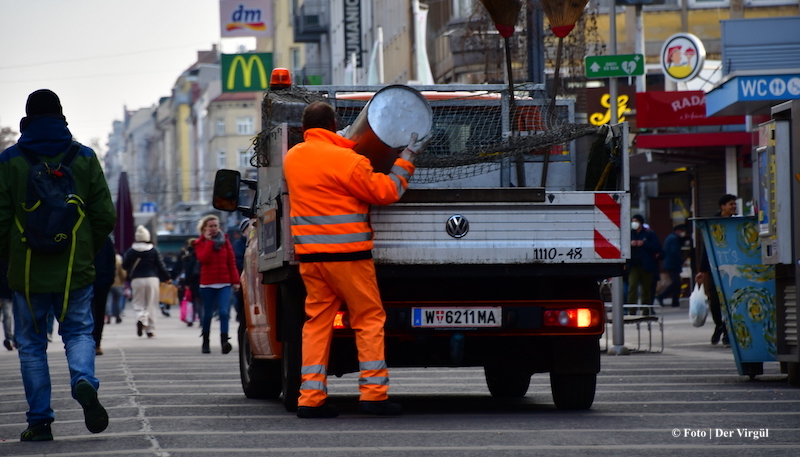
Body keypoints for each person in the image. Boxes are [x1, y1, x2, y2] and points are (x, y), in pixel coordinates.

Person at [283, 101, 428, 418]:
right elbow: (386, 192)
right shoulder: (348, 160)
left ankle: (310, 399)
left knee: (317, 325)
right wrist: (407, 158)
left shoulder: (293, 157)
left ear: (306, 128)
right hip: (349, 256)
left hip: (311, 258)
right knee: (369, 319)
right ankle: (374, 395)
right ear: (334, 123)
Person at [0, 89, 116, 441]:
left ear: (28, 118)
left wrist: (14, 253)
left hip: (27, 271)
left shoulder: (10, 161)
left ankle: (40, 422)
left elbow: (2, 218)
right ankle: (83, 380)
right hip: (74, 270)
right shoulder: (83, 157)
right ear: (61, 116)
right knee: (78, 332)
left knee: (32, 344)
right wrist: (83, 248)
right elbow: (105, 215)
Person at [695, 194, 738, 346]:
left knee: (730, 300)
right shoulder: (712, 224)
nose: (734, 207)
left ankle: (727, 332)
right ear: (723, 206)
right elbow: (706, 248)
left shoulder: (737, 223)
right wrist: (703, 271)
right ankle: (719, 325)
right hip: (715, 268)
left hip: (732, 268)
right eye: (731, 204)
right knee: (714, 300)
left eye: (734, 204)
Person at [193, 215, 240, 354]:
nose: (213, 228)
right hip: (207, 285)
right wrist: (209, 242)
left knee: (224, 313)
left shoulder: (225, 241)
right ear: (204, 228)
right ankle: (205, 341)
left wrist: (235, 281)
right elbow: (203, 259)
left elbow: (231, 262)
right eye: (210, 226)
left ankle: (224, 341)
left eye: (215, 226)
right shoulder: (199, 243)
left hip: (224, 283)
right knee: (207, 314)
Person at [122, 225, 171, 338]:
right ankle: (150, 329)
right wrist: (167, 277)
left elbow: (125, 266)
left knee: (138, 303)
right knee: (152, 305)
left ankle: (140, 318)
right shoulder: (153, 250)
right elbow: (161, 265)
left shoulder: (130, 251)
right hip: (152, 279)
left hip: (136, 280)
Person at [626, 214, 661, 315]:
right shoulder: (629, 234)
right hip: (633, 265)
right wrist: (631, 244)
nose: (634, 223)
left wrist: (644, 244)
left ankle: (646, 310)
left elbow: (656, 247)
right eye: (633, 221)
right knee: (632, 287)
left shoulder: (649, 234)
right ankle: (631, 310)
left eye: (636, 221)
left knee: (646, 289)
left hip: (647, 265)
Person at [91, 236, 116, 355]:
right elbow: (111, 260)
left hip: (90, 280)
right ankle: (95, 343)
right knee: (99, 313)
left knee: (90, 313)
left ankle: (94, 342)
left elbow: (111, 260)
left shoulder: (104, 239)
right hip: (101, 279)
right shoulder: (106, 239)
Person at [656, 224, 688, 308]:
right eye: (682, 231)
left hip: (670, 263)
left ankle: (675, 301)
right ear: (678, 231)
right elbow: (674, 252)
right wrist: (682, 261)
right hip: (673, 264)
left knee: (677, 283)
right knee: (676, 282)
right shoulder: (674, 239)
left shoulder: (671, 237)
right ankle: (662, 296)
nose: (682, 233)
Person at [106, 250, 127, 325]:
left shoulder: (106, 261)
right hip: (118, 284)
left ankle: (108, 316)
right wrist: (122, 281)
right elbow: (123, 273)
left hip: (108, 284)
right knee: (117, 301)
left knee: (108, 301)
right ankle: (117, 316)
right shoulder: (118, 261)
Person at [0, 259, 14, 350]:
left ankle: (12, 338)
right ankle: (9, 338)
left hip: (12, 290)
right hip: (5, 291)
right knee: (7, 315)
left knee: (8, 315)